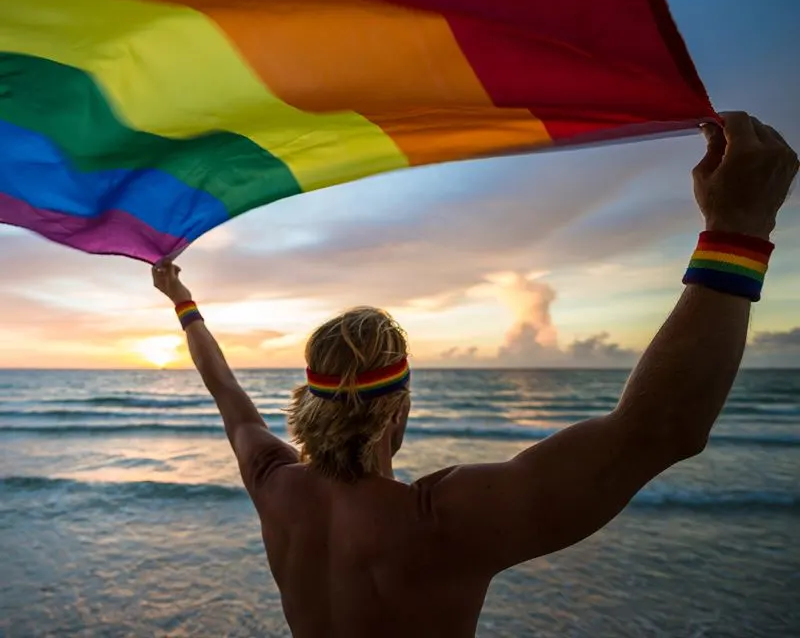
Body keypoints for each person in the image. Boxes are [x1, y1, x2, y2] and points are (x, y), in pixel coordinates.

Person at [152, 112, 797, 638]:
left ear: (309, 402)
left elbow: (227, 391)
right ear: (397, 411)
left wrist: (183, 303)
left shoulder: (273, 484)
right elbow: (660, 431)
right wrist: (738, 230)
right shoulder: (440, 524)